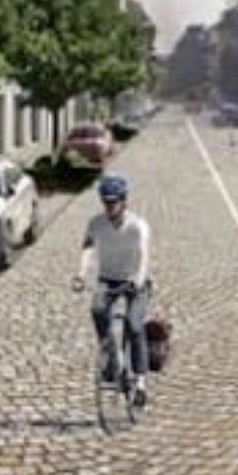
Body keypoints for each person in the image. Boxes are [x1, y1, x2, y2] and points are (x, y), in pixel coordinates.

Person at [72, 174, 152, 406]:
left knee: (135, 326)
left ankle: (140, 381)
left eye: (114, 202)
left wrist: (139, 278)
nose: (109, 207)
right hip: (108, 279)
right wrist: (81, 273)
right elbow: (88, 246)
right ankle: (111, 355)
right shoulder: (96, 223)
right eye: (105, 202)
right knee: (97, 310)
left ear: (124, 201)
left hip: (134, 281)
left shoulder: (138, 226)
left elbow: (144, 254)